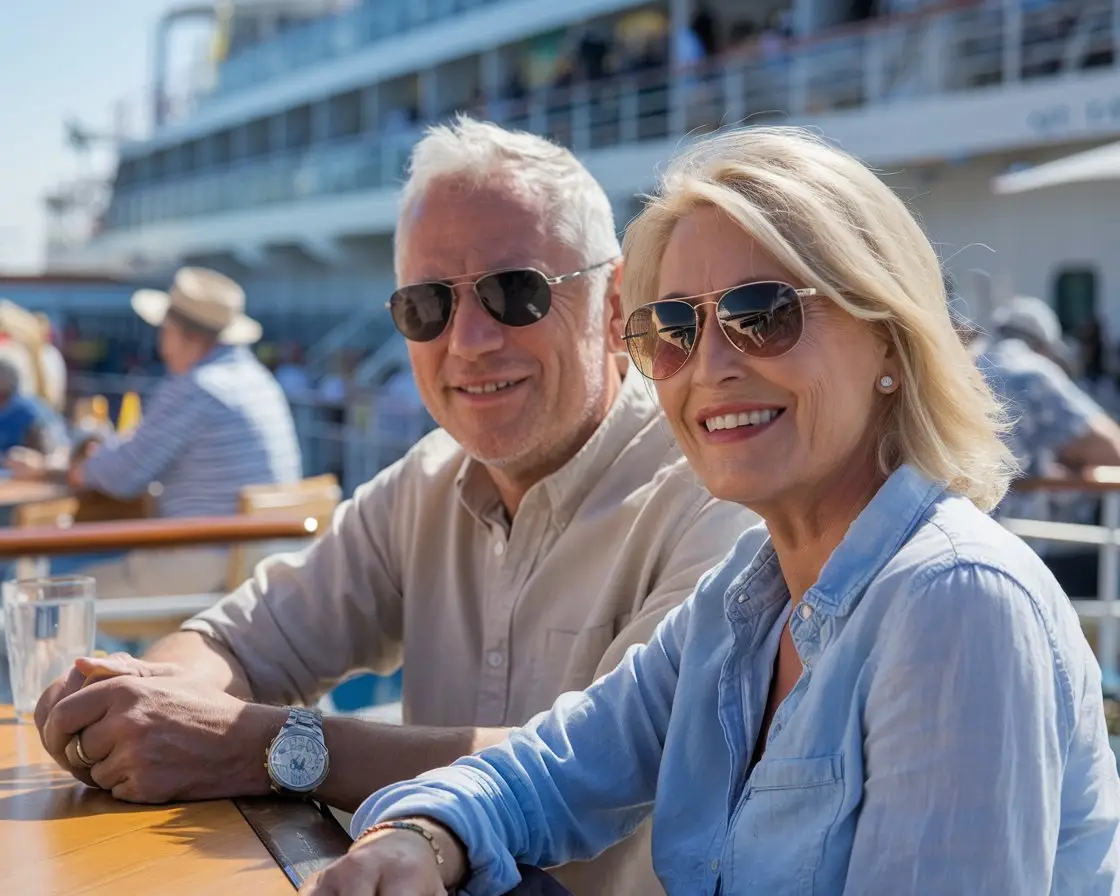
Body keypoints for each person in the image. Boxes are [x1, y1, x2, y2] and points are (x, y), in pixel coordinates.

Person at [306, 126, 1120, 895]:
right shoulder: (746, 598)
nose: (710, 367)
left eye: (762, 315)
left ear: (890, 342)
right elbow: (553, 769)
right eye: (670, 330)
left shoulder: (954, 602)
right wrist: (419, 839)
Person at [33, 117, 754, 895]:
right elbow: (242, 641)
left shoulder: (712, 496)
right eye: (426, 306)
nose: (470, 339)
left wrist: (258, 746)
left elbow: (601, 763)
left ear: (614, 306)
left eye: (516, 293)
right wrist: (143, 703)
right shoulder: (431, 479)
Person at [9, 267, 302, 598]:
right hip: (251, 558)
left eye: (164, 330)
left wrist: (57, 468)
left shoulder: (198, 387)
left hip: (204, 559)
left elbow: (121, 476)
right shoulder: (255, 381)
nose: (162, 345)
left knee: (35, 591)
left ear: (182, 335)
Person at [975, 295, 1120, 598]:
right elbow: (1109, 449)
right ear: (1044, 345)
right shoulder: (1031, 372)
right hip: (1009, 547)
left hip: (952, 536)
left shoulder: (967, 364)